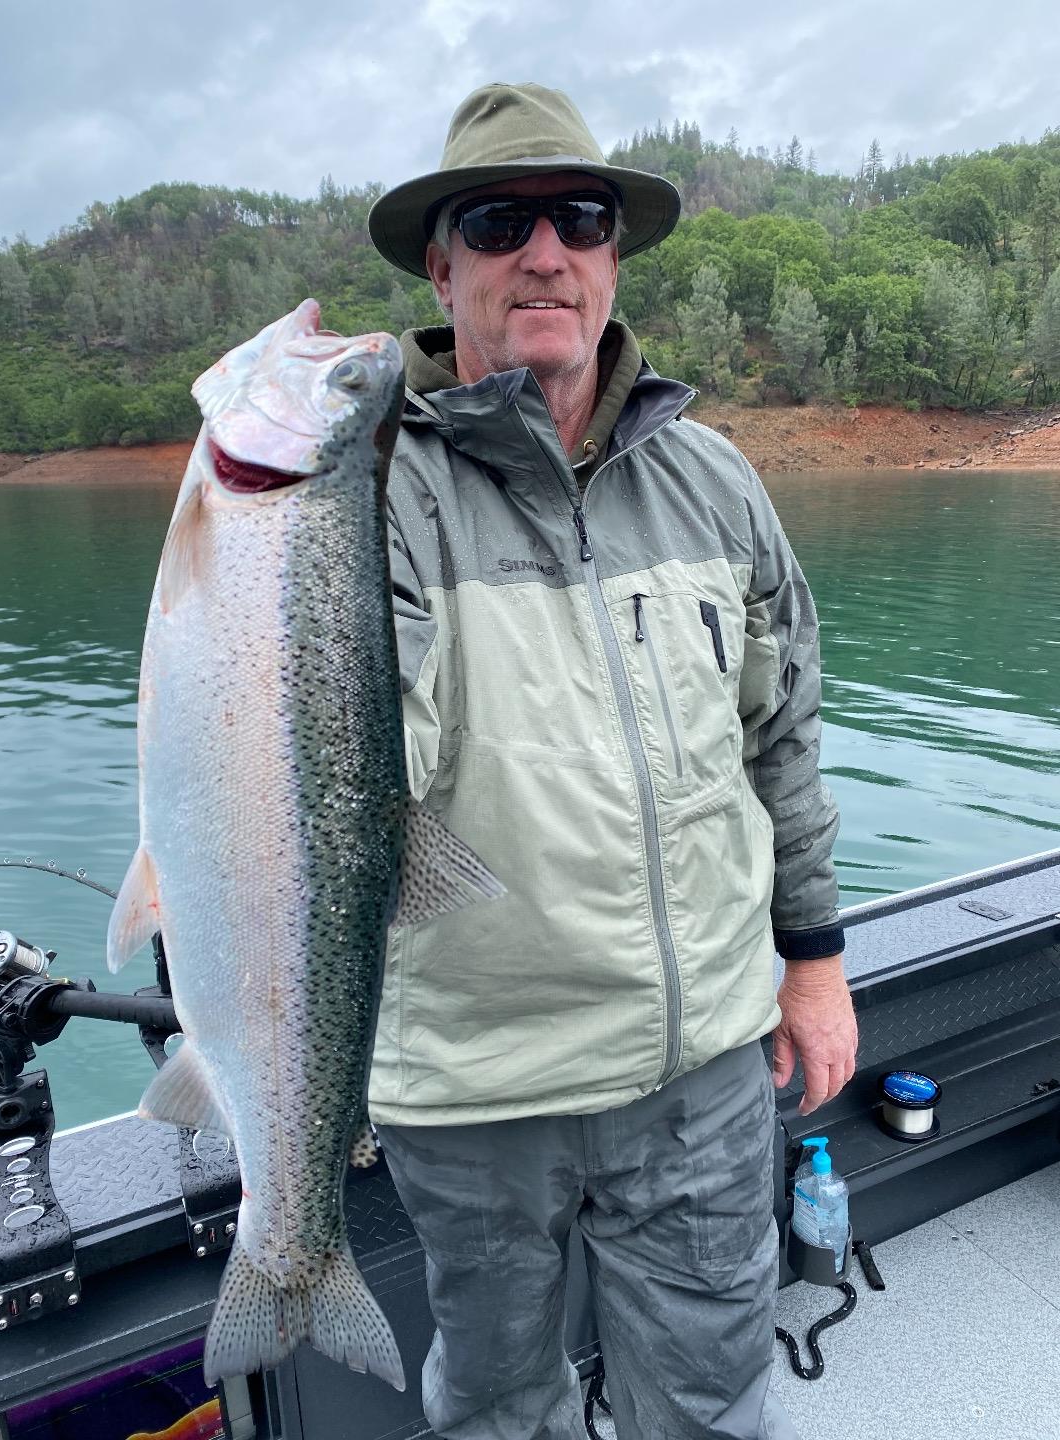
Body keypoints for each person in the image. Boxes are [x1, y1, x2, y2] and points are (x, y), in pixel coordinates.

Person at [365, 82, 858, 1440]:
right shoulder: (356, 491)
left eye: (577, 217)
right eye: (499, 220)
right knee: (497, 1406)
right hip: (472, 1087)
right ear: (442, 261)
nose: (545, 251)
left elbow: (785, 738)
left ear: (612, 252)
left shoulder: (717, 482)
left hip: (700, 1068)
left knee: (708, 1403)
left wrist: (810, 963)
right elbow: (325, 781)